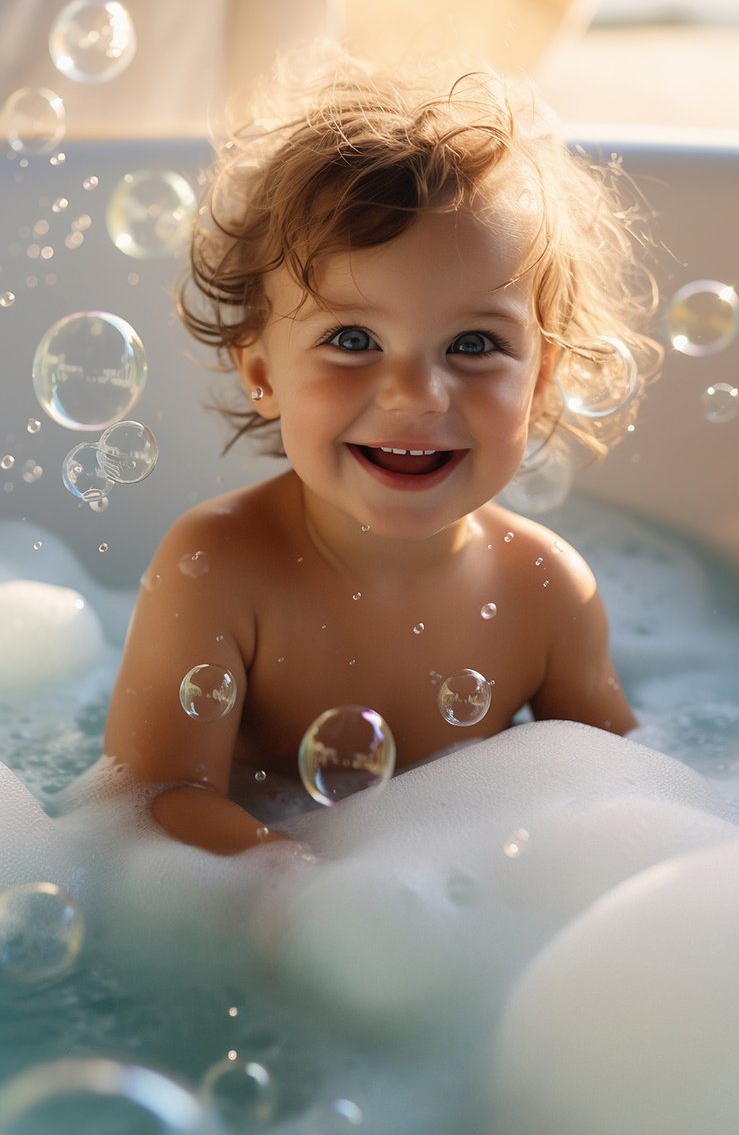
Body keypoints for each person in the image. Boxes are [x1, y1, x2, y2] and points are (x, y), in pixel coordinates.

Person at [104, 52, 661, 854]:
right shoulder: (219, 568)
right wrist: (294, 884)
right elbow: (152, 802)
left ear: (542, 384)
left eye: (474, 344)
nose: (416, 394)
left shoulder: (546, 590)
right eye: (353, 338)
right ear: (262, 373)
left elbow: (631, 799)